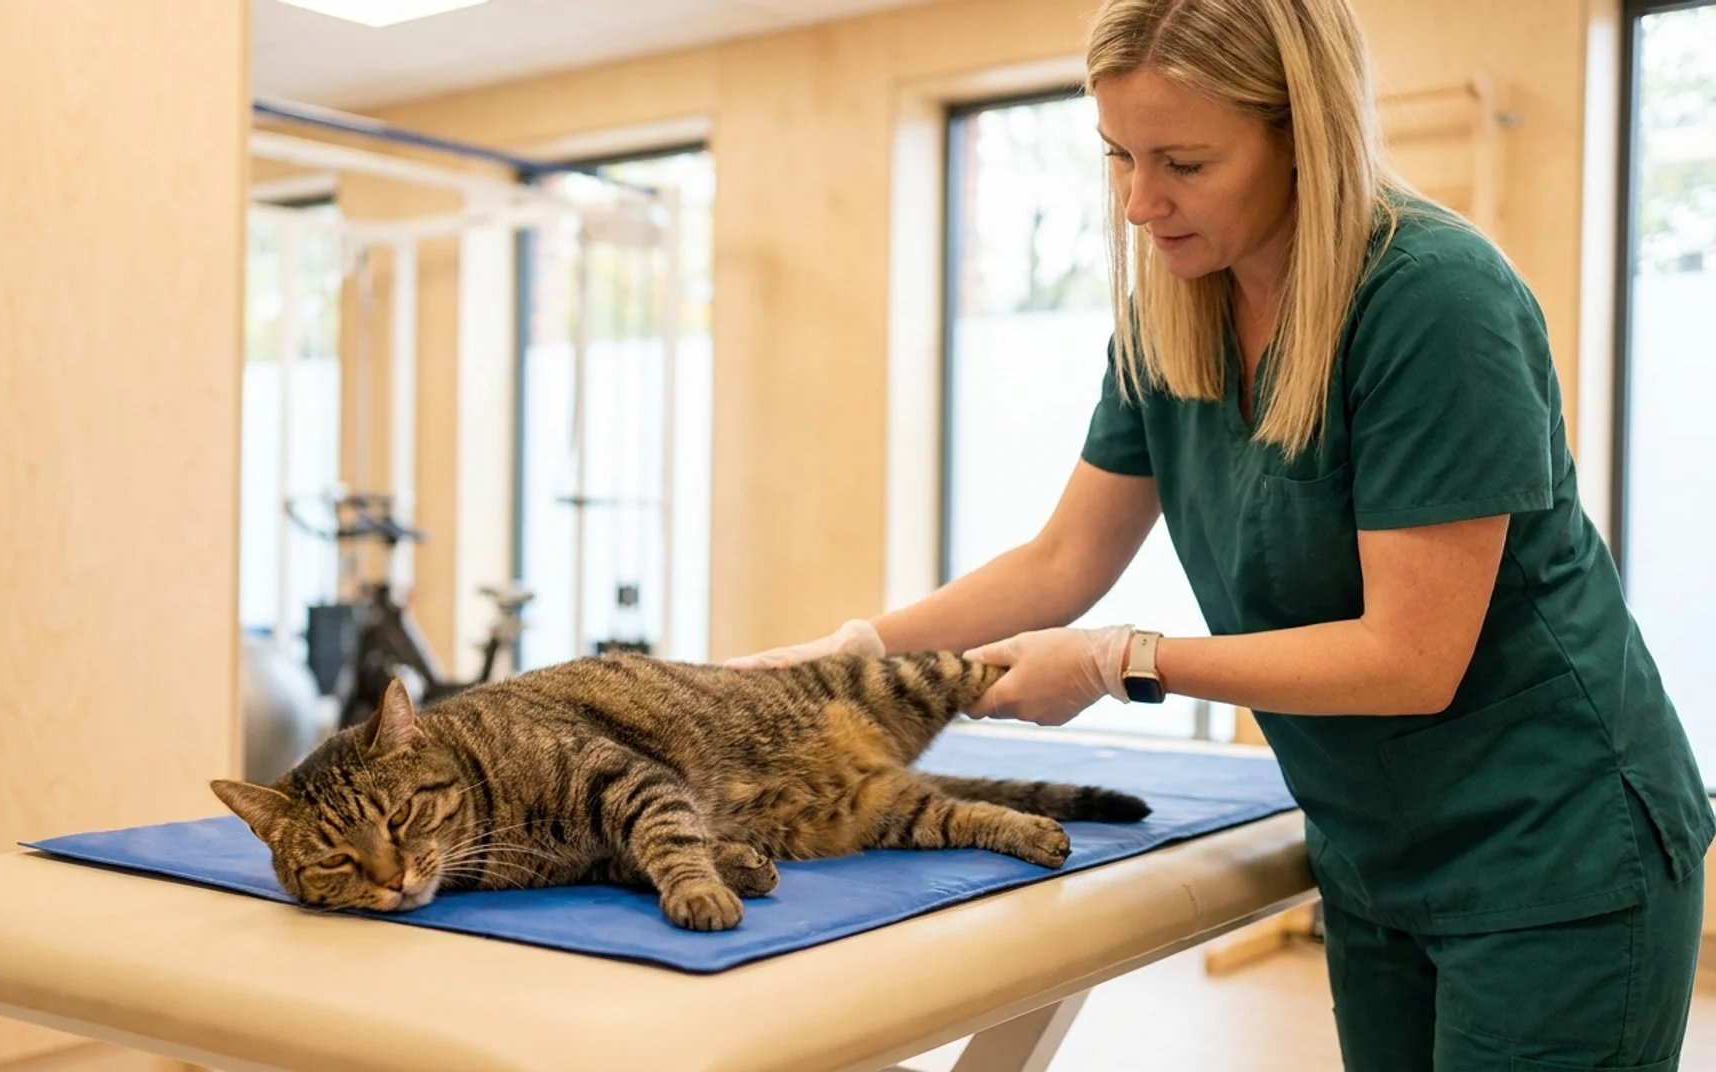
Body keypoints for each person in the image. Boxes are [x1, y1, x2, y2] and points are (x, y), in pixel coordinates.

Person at [726, 0, 1714, 1067]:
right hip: (1376, 843)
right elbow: (1063, 560)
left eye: (1184, 162)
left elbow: (1413, 657)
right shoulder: (1171, 307)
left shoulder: (1433, 300)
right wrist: (852, 656)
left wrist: (1120, 662)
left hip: (1553, 841)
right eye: (1119, 156)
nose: (1141, 202)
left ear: (1303, 133)